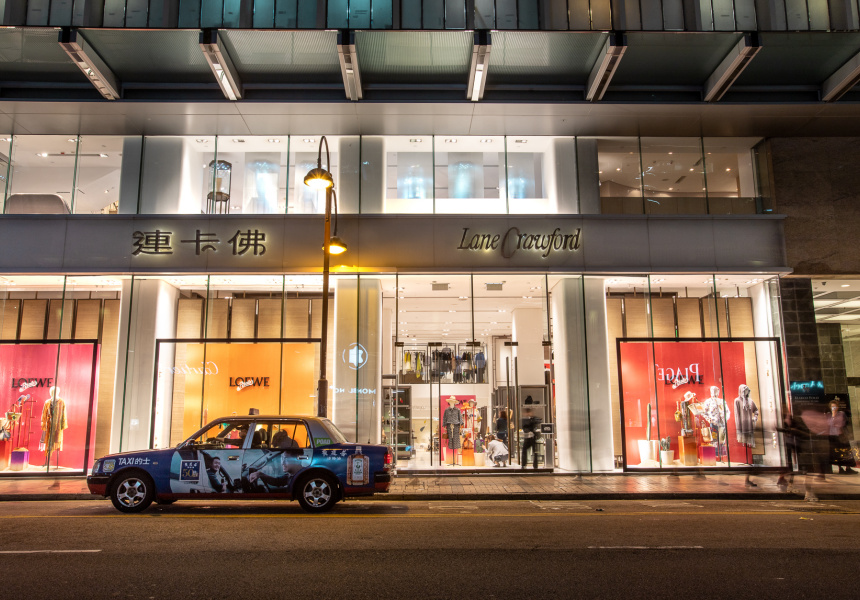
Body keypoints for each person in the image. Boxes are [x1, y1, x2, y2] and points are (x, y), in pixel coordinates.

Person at [828, 399, 857, 474]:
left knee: (846, 451)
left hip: (842, 435)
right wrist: (833, 416)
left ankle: (848, 467)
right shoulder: (829, 415)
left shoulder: (841, 414)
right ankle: (840, 468)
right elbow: (830, 424)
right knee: (837, 452)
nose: (834, 408)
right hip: (833, 436)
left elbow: (842, 423)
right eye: (832, 407)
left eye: (835, 406)